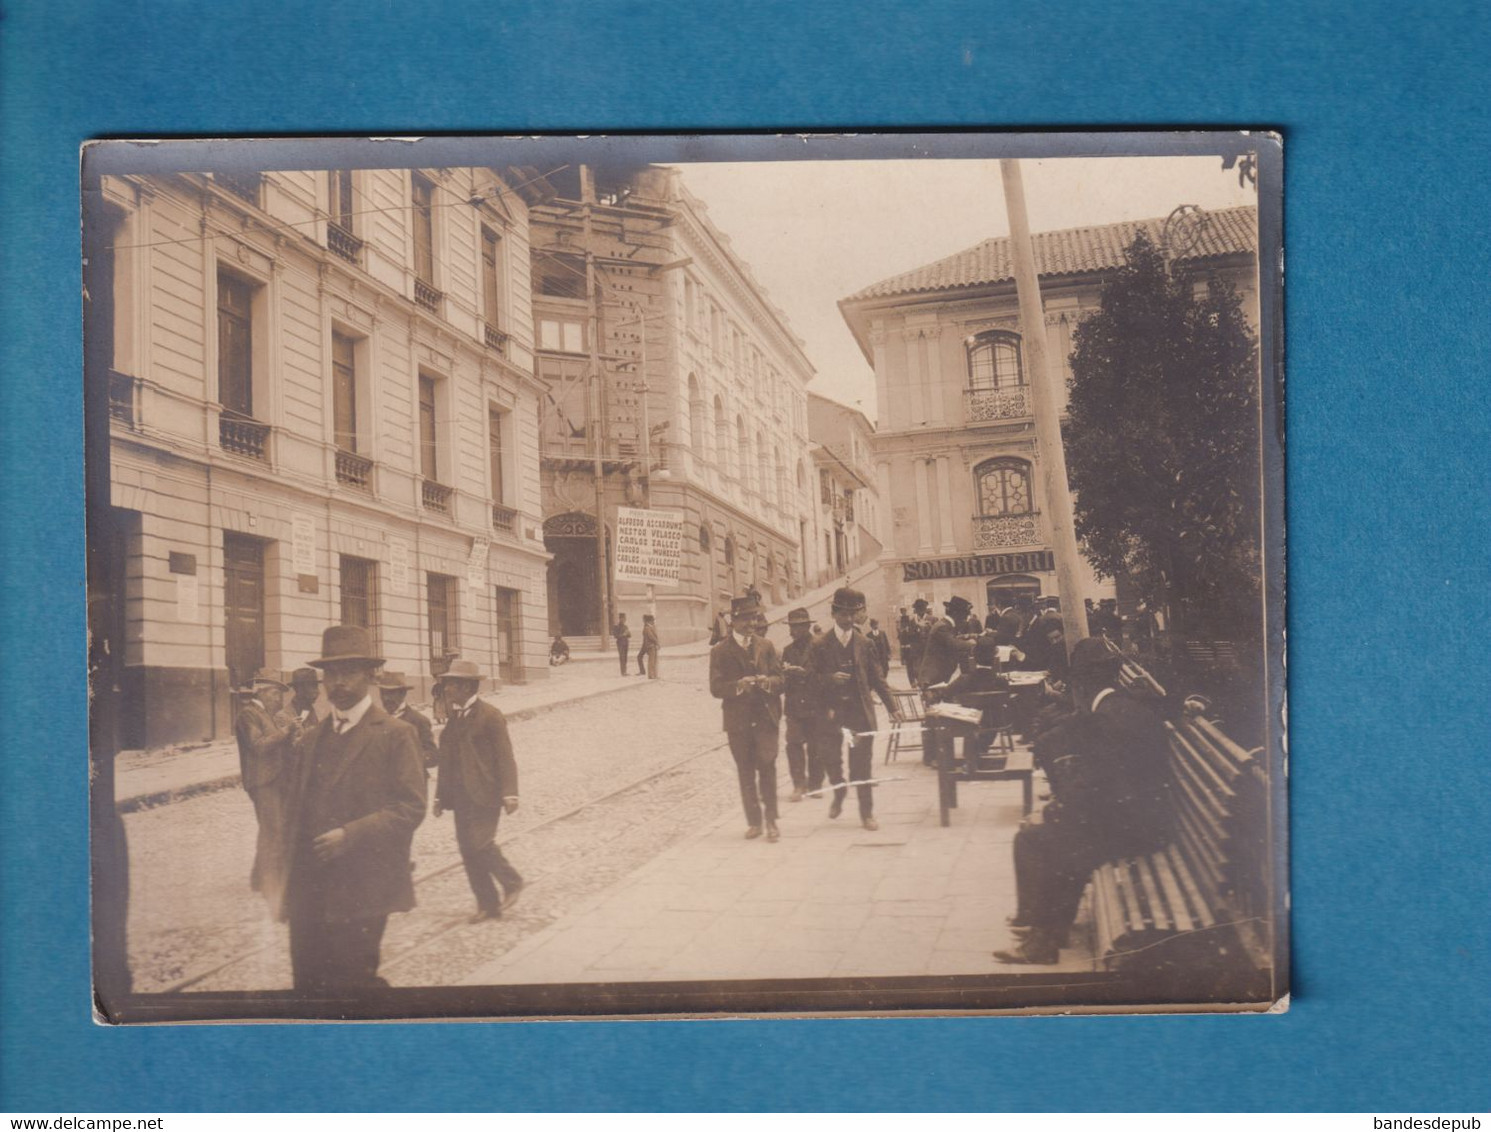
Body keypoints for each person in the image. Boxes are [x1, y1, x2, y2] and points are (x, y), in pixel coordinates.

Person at [993, 637, 1174, 965]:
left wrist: (1056, 811)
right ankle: (1044, 928)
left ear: (1081, 685)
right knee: (1044, 836)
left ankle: (1042, 944)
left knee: (1056, 840)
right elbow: (1103, 782)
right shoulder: (1117, 707)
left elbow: (1099, 786)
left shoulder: (1108, 719)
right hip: (1143, 816)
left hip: (1140, 826)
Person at [279, 626, 426, 991]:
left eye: (348, 672)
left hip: (363, 886)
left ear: (369, 675)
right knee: (308, 986)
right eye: (330, 674)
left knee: (353, 986)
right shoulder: (312, 737)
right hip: (308, 890)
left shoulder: (395, 733)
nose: (338, 682)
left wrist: (350, 834)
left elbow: (411, 807)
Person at [433, 658, 524, 922]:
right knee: (467, 849)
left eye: (452, 684)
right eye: (447, 684)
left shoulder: (491, 716)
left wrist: (510, 792)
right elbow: (446, 761)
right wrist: (440, 796)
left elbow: (506, 757)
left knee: (481, 844)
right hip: (460, 798)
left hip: (486, 794)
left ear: (467, 687)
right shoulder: (453, 719)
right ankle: (487, 905)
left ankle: (512, 881)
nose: (447, 689)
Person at [809, 587, 902, 832]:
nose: (849, 619)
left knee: (861, 764)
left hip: (859, 712)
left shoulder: (865, 643)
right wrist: (829, 679)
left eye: (853, 614)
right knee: (831, 760)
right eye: (844, 614)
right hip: (830, 711)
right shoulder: (820, 644)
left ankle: (866, 813)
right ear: (833, 613)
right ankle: (839, 791)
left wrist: (892, 706)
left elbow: (877, 677)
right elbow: (808, 680)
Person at [708, 595, 784, 842]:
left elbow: (781, 679)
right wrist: (738, 686)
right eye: (746, 620)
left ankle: (771, 821)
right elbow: (716, 687)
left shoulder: (767, 646)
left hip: (765, 719)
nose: (752, 624)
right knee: (745, 771)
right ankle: (754, 822)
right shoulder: (720, 651)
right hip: (738, 722)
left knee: (768, 767)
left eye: (754, 619)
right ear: (734, 622)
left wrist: (768, 682)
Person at [234, 669, 303, 911]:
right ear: (262, 692)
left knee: (273, 826)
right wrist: (285, 733)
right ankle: (267, 882)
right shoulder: (248, 715)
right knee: (272, 828)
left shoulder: (267, 713)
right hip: (261, 781)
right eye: (275, 693)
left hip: (275, 779)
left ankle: (258, 877)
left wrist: (292, 734)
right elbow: (258, 746)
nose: (279, 699)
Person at [779, 607, 823, 803]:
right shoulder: (788, 651)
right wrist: (786, 675)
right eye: (791, 627)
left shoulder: (820, 647)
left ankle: (815, 785)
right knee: (793, 744)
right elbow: (783, 680)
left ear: (806, 626)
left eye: (796, 627)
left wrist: (804, 674)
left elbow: (826, 677)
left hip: (815, 704)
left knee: (815, 746)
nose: (791, 631)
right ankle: (798, 784)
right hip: (794, 706)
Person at [377, 671, 437, 771]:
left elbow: (432, 756)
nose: (386, 698)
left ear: (403, 694)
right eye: (383, 693)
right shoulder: (379, 720)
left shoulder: (418, 720)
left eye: (391, 693)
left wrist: (407, 760)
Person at [639, 613, 661, 679]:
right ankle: (651, 675)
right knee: (651, 661)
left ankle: (653, 675)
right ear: (649, 621)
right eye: (652, 620)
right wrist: (657, 643)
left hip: (652, 646)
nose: (653, 622)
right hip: (651, 646)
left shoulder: (649, 627)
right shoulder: (647, 628)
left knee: (653, 661)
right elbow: (651, 637)